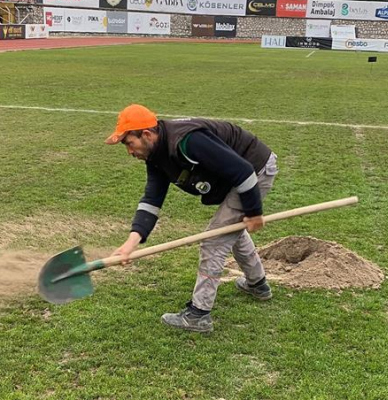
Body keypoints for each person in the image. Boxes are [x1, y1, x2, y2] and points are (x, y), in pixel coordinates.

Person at [107, 104, 278, 333]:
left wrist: (254, 211)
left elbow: (243, 171)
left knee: (214, 240)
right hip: (236, 175)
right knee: (228, 230)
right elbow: (152, 199)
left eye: (129, 143)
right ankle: (258, 284)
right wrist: (130, 244)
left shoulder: (187, 141)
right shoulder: (156, 155)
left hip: (254, 171)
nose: (129, 151)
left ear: (146, 134)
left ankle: (199, 315)